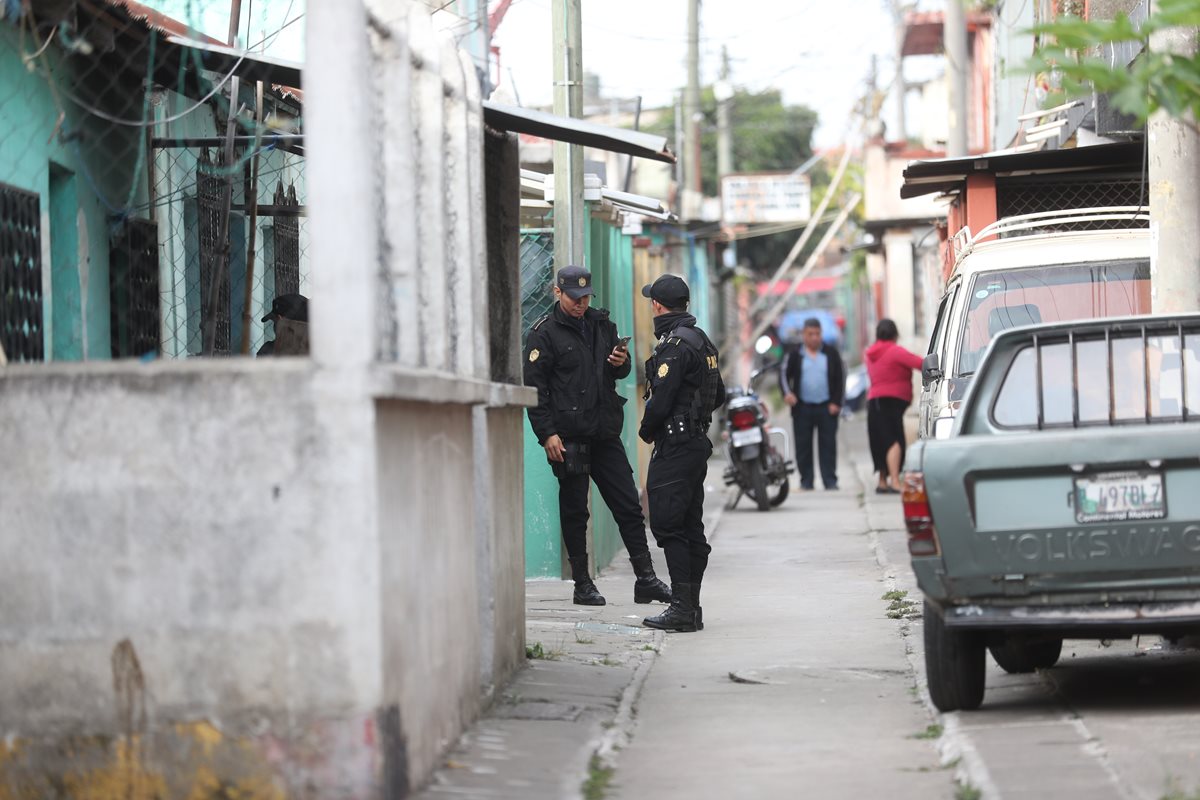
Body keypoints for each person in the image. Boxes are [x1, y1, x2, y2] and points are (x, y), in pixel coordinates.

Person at [523, 266, 672, 607]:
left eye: (586, 297)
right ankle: (582, 583)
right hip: (568, 436)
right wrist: (547, 434)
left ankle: (646, 579)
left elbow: (618, 371)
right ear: (557, 293)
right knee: (576, 511)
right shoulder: (543, 335)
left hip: (604, 430)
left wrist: (620, 362)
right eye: (575, 297)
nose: (581, 303)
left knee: (628, 506)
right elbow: (536, 389)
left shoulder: (602, 324)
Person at [638, 274, 725, 633]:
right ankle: (691, 608)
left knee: (669, 525)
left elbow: (662, 400)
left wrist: (647, 429)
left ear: (658, 306)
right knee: (689, 525)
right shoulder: (702, 341)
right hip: (695, 444)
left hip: (675, 446)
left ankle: (681, 607)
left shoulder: (674, 346)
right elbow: (718, 394)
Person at [780, 317, 845, 491]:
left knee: (828, 445)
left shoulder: (831, 353)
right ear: (804, 335)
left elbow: (840, 379)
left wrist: (836, 402)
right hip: (802, 408)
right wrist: (788, 394)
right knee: (803, 447)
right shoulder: (795, 354)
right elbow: (784, 374)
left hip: (827, 407)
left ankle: (830, 480)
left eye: (817, 334)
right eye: (811, 334)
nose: (815, 338)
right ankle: (806, 481)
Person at [864, 319, 924, 494]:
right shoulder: (895, 351)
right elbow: (920, 364)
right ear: (895, 334)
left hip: (874, 401)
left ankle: (882, 481)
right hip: (891, 401)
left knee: (879, 441)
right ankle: (895, 482)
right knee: (894, 440)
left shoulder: (869, 354)